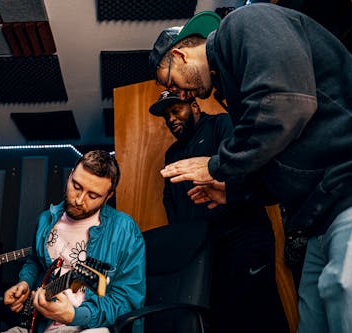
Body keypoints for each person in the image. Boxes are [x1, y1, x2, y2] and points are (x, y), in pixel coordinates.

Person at [149, 3, 352, 333]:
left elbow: (283, 105)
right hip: (317, 219)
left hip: (346, 194)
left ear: (181, 55)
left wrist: (216, 166)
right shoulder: (233, 88)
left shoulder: (245, 22)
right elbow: (278, 166)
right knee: (313, 322)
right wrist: (235, 191)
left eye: (171, 83)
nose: (181, 94)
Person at [149, 90, 288, 333]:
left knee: (258, 312)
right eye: (166, 115)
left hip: (242, 238)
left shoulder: (221, 124)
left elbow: (246, 170)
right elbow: (171, 201)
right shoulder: (172, 153)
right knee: (222, 317)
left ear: (193, 106)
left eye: (175, 110)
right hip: (205, 250)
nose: (170, 119)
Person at [3, 150, 145, 333]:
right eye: (76, 186)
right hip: (40, 324)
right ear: (70, 175)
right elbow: (34, 262)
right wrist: (25, 283)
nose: (79, 200)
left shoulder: (125, 230)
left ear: (108, 196)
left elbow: (126, 301)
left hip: (92, 326)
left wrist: (74, 316)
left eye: (92, 196)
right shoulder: (46, 219)